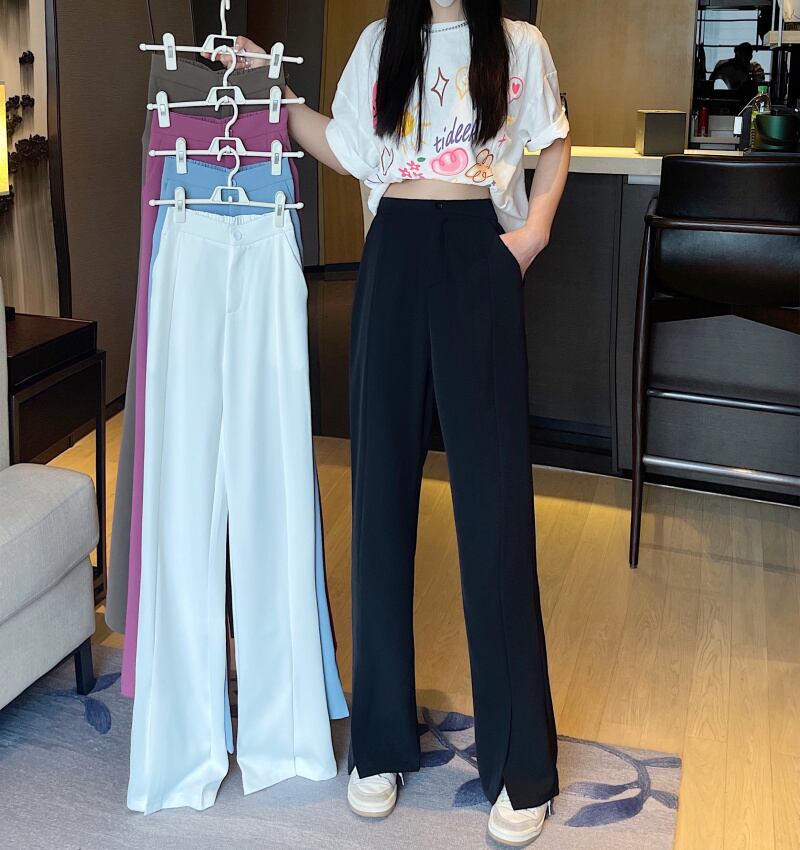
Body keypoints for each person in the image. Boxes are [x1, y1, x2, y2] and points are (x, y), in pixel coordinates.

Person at [215, 0, 570, 844]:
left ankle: (522, 762)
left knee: (494, 512)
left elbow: (554, 143)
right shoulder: (382, 43)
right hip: (394, 255)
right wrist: (271, 85)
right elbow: (343, 144)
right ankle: (377, 743)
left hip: (478, 252)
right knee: (378, 503)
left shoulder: (518, 44)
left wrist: (531, 236)